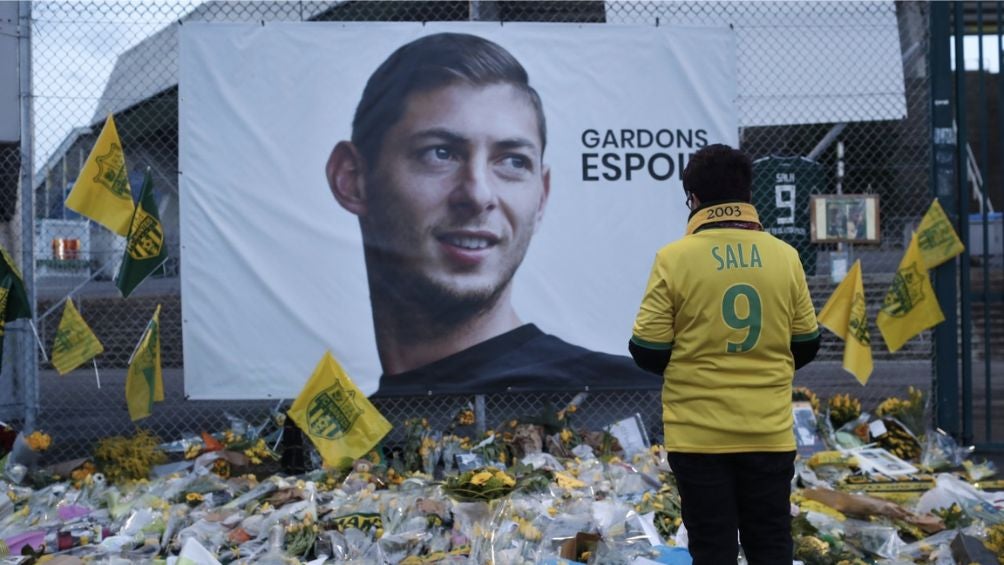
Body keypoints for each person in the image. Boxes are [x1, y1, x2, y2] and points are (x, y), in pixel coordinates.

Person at [326, 32, 657, 397]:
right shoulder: (338, 436)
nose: (478, 194)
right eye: (440, 153)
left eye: (513, 161)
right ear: (352, 179)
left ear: (542, 196)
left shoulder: (626, 401)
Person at [628, 144, 821, 564]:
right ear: (748, 194)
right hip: (767, 431)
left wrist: (693, 360)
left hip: (698, 434)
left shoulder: (674, 259)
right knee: (771, 543)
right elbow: (806, 342)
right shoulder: (785, 257)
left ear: (693, 198)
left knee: (711, 547)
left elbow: (646, 349)